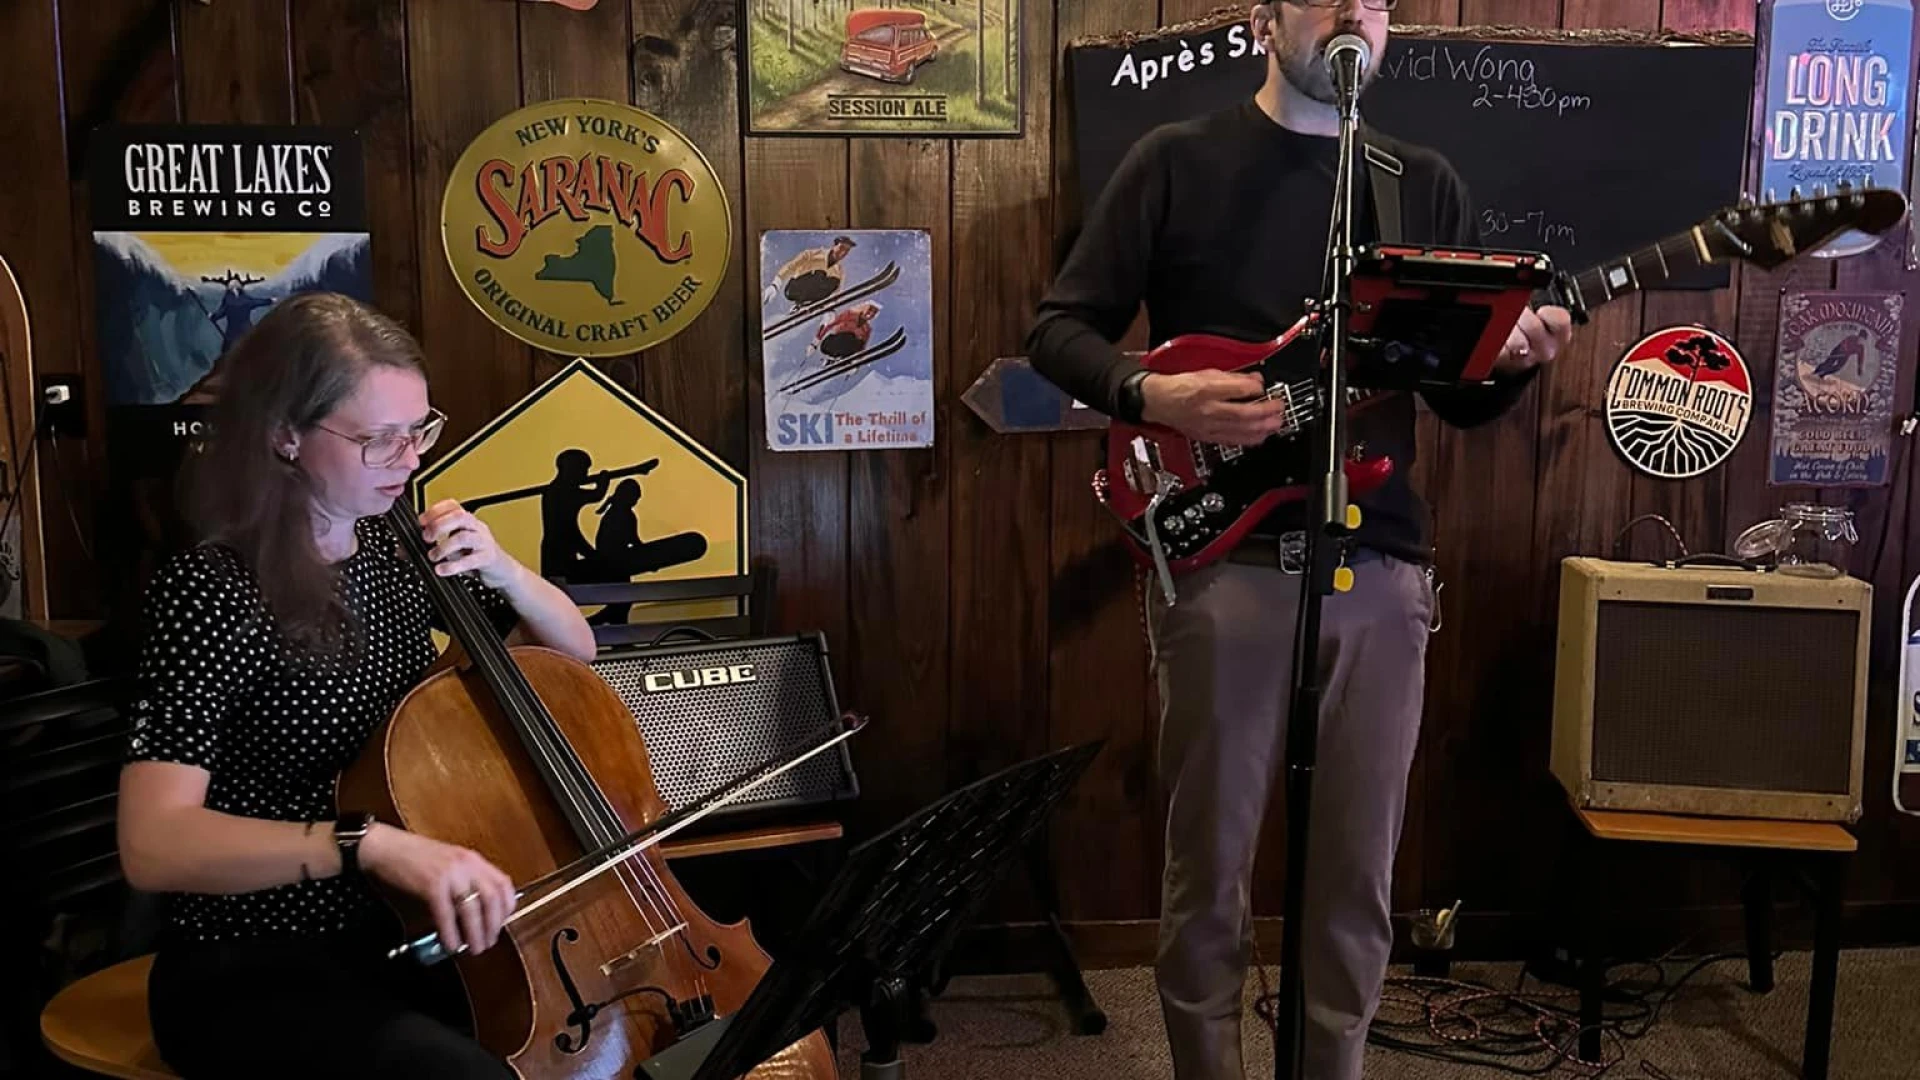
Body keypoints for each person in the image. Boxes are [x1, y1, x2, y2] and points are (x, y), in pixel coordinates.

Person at [1024, 3, 1574, 1079]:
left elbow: (1454, 402)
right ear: (1269, 19)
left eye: (1373, 1)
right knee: (1209, 870)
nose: (1351, 13)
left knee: (1358, 881)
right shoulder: (1175, 160)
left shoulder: (1425, 183)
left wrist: (1519, 363)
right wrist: (1153, 392)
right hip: (1222, 564)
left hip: (1380, 568)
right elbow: (1059, 328)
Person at [115, 291, 599, 1079]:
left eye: (420, 432)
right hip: (252, 960)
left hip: (403, 933)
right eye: (379, 440)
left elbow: (573, 656)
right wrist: (365, 845)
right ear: (285, 436)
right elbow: (153, 844)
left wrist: (507, 571)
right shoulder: (210, 591)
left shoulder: (395, 553)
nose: (409, 461)